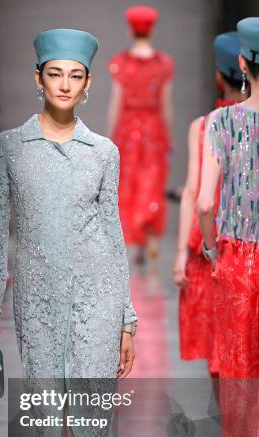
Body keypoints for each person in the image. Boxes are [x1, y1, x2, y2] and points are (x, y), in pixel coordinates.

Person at [0, 28, 138, 437]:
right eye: (55, 73)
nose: (65, 84)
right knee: (51, 421)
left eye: (75, 75)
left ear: (88, 83)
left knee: (85, 421)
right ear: (38, 78)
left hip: (98, 296)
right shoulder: (9, 148)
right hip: (39, 301)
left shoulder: (104, 152)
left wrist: (127, 319)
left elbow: (113, 234)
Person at [197, 17, 259, 437]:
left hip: (238, 258)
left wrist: (212, 246)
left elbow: (201, 201)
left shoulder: (222, 125)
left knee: (242, 371)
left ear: (242, 64)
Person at [173, 32, 246, 377]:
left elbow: (194, 193)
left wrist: (179, 256)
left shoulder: (204, 126)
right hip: (247, 243)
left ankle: (234, 425)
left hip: (209, 247)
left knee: (219, 351)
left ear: (219, 76)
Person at [107, 5, 174, 263]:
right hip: (154, 127)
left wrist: (110, 135)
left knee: (129, 182)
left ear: (130, 30)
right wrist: (170, 136)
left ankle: (133, 241)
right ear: (152, 29)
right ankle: (151, 237)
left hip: (127, 126)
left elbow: (116, 101)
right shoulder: (163, 64)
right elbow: (166, 104)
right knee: (152, 181)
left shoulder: (121, 63)